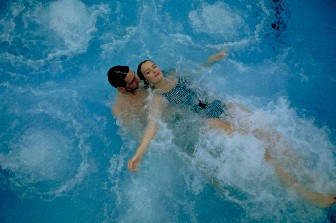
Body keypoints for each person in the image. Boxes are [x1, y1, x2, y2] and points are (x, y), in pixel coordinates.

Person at [127, 56, 336, 208]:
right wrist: (140, 152)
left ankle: (312, 175)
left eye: (153, 66)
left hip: (218, 106)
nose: (154, 70)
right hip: (209, 121)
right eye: (148, 72)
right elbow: (153, 125)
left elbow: (195, 72)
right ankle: (304, 192)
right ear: (146, 79)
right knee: (258, 150)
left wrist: (210, 60)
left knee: (268, 133)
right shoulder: (158, 98)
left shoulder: (173, 73)